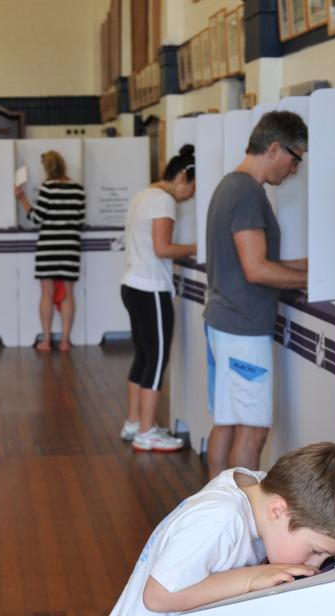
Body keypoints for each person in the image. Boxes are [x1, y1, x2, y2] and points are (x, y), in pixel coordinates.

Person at [103, 442, 335, 616]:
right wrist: (250, 579)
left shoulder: (258, 488)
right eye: (316, 551)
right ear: (278, 511)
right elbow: (157, 596)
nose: (313, 565)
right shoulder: (220, 519)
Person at [204, 111, 309, 478]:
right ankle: (245, 527)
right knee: (254, 428)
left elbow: (252, 261)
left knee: (227, 422)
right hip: (243, 331)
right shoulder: (247, 193)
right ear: (275, 148)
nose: (295, 169)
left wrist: (308, 269)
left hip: (224, 321)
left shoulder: (230, 186)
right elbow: (257, 269)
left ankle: (216, 515)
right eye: (295, 158)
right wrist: (305, 278)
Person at [119, 145, 197, 452]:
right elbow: (162, 248)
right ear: (182, 176)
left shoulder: (143, 194)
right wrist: (197, 247)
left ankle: (134, 422)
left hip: (131, 284)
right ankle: (148, 431)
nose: (190, 194)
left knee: (142, 356)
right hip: (151, 288)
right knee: (157, 358)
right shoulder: (164, 200)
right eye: (192, 186)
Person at [14, 151, 86, 352]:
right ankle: (65, 341)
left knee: (47, 293)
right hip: (70, 247)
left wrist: (22, 198)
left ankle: (46, 340)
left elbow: (36, 218)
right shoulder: (78, 190)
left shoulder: (47, 189)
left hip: (48, 247)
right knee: (69, 294)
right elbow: (80, 220)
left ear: (46, 168)